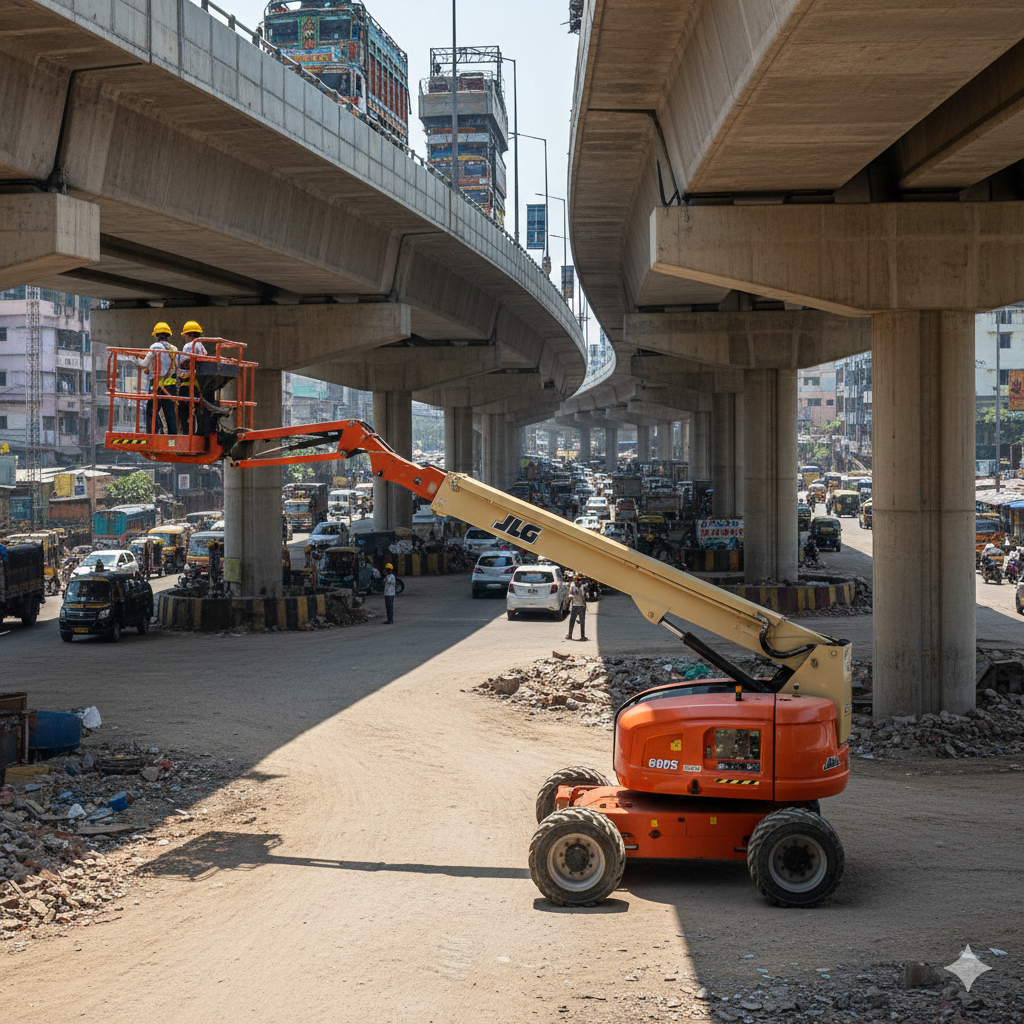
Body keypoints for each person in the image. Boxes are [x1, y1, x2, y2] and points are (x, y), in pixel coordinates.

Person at [134, 323, 179, 434]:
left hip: (157, 386)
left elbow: (144, 363)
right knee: (170, 414)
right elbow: (177, 367)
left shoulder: (155, 347)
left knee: (151, 412)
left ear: (156, 336)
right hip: (171, 387)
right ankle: (172, 439)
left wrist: (135, 359)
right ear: (168, 336)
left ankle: (152, 434)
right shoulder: (174, 349)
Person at [177, 320, 208, 436]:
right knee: (196, 412)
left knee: (183, 412)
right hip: (198, 386)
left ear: (189, 334)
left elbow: (184, 364)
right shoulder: (202, 347)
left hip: (187, 385)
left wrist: (179, 373)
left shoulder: (189, 346)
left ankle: (186, 436)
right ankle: (197, 435)